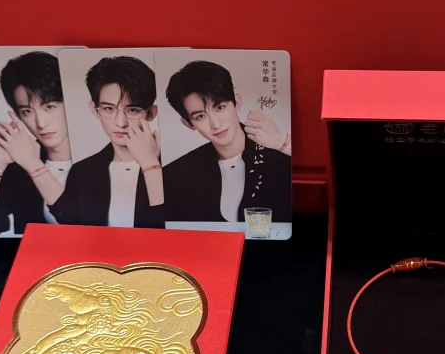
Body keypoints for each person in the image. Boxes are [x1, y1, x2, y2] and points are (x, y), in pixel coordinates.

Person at [162, 59, 291, 224]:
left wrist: (284, 144)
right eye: (200, 116)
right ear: (188, 123)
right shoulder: (176, 174)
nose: (216, 124)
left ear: (237, 102)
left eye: (220, 108)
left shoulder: (280, 154)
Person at [52, 55, 165, 228]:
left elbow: (175, 230)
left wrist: (151, 166)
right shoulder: (82, 172)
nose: (120, 123)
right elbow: (72, 229)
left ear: (151, 113)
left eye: (133, 110)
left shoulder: (175, 169)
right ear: (94, 110)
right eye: (109, 109)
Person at [0, 51, 70, 237]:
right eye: (27, 112)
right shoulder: (18, 167)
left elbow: (77, 220)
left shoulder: (104, 159)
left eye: (49, 107)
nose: (41, 124)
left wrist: (32, 164)